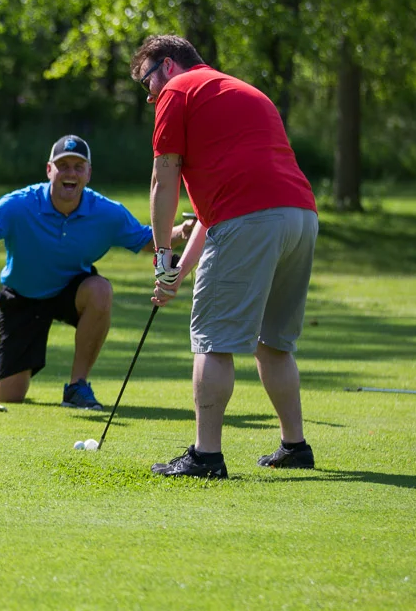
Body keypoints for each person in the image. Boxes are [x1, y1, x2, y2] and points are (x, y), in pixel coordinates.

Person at [131, 34, 319, 479]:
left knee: (212, 340)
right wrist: (178, 272)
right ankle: (295, 446)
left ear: (168, 65)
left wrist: (161, 257)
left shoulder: (177, 91)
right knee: (273, 342)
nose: (150, 95)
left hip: (251, 219)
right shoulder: (242, 91)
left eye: (146, 82)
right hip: (300, 217)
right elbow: (210, 213)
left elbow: (163, 179)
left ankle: (206, 456)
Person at [0, 135, 194, 410]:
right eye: (63, 166)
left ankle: (77, 386)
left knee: (100, 290)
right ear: (49, 170)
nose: (71, 173)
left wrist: (182, 232)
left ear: (88, 173)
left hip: (70, 290)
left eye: (78, 167)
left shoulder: (106, 212)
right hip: (23, 295)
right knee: (10, 395)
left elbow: (146, 240)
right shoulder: (17, 205)